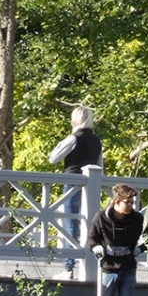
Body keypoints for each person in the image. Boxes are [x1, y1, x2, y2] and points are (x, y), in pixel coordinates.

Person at [87, 183, 144, 296]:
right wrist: (95, 248)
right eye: (128, 202)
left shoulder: (137, 219)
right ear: (117, 201)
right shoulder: (101, 218)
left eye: (132, 202)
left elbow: (147, 238)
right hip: (108, 269)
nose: (131, 206)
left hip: (128, 269)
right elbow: (91, 240)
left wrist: (139, 249)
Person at [48, 106, 103, 278]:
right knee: (87, 224)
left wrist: (66, 139)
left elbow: (53, 158)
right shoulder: (97, 141)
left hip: (72, 184)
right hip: (91, 186)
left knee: (70, 224)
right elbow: (100, 167)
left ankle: (68, 268)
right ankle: (88, 265)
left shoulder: (73, 138)